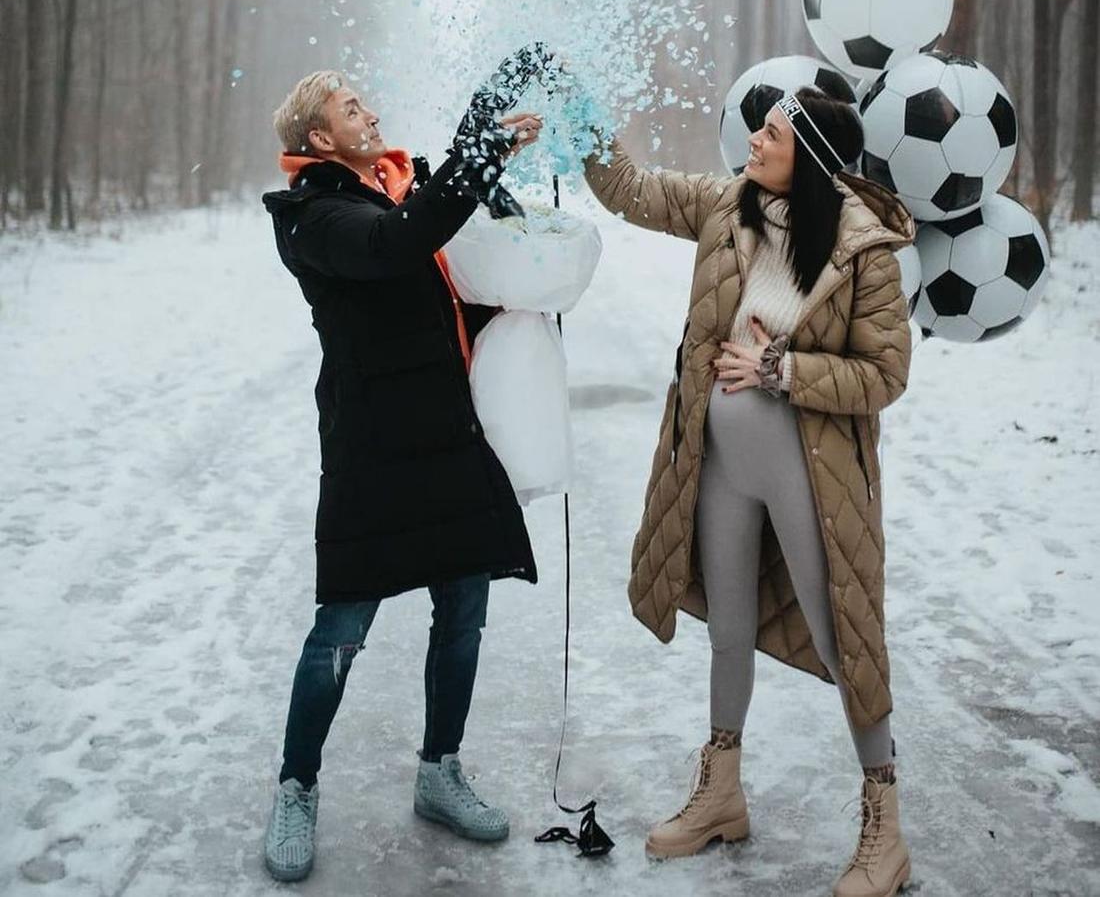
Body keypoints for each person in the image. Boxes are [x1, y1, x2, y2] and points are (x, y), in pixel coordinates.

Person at [584, 86, 915, 897]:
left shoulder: (861, 250)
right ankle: (721, 792)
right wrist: (583, 120)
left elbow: (886, 374)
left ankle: (886, 828)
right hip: (719, 463)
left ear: (807, 156)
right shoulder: (729, 204)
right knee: (728, 628)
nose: (754, 143)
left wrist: (779, 369)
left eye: (770, 134)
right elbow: (631, 190)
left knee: (846, 641)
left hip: (810, 472)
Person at [260, 70, 542, 882]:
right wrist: (479, 153)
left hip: (447, 434)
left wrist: (524, 289)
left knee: (463, 614)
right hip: (374, 451)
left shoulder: (388, 192)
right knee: (340, 630)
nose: (372, 112)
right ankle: (296, 785)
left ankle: (439, 771)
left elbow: (435, 278)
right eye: (352, 109)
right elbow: (396, 249)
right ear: (319, 139)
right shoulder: (314, 218)